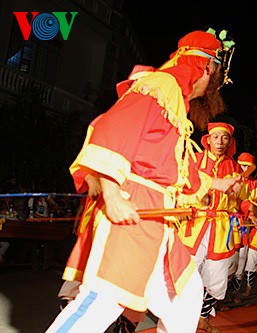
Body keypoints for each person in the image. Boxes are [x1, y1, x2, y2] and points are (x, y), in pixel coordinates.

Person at [45, 29, 241, 333]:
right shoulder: (160, 86)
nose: (216, 82)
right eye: (216, 71)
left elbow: (174, 169)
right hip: (132, 213)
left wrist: (219, 185)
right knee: (101, 302)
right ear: (206, 67)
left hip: (158, 222)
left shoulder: (175, 100)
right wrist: (111, 194)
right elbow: (111, 129)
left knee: (186, 300)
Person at [177, 121, 245, 332]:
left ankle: (202, 317)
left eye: (225, 138)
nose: (220, 142)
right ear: (208, 140)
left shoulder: (233, 166)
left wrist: (244, 201)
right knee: (186, 271)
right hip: (195, 223)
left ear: (230, 142)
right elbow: (181, 184)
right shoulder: (194, 159)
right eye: (216, 137)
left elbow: (239, 197)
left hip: (221, 227)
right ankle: (179, 316)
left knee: (216, 276)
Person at [225, 152, 257, 304]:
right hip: (227, 226)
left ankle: (234, 292)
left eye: (248, 166)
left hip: (244, 226)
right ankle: (220, 297)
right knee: (227, 260)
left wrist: (253, 214)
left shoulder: (255, 185)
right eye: (242, 165)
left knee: (241, 260)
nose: (244, 168)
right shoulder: (230, 178)